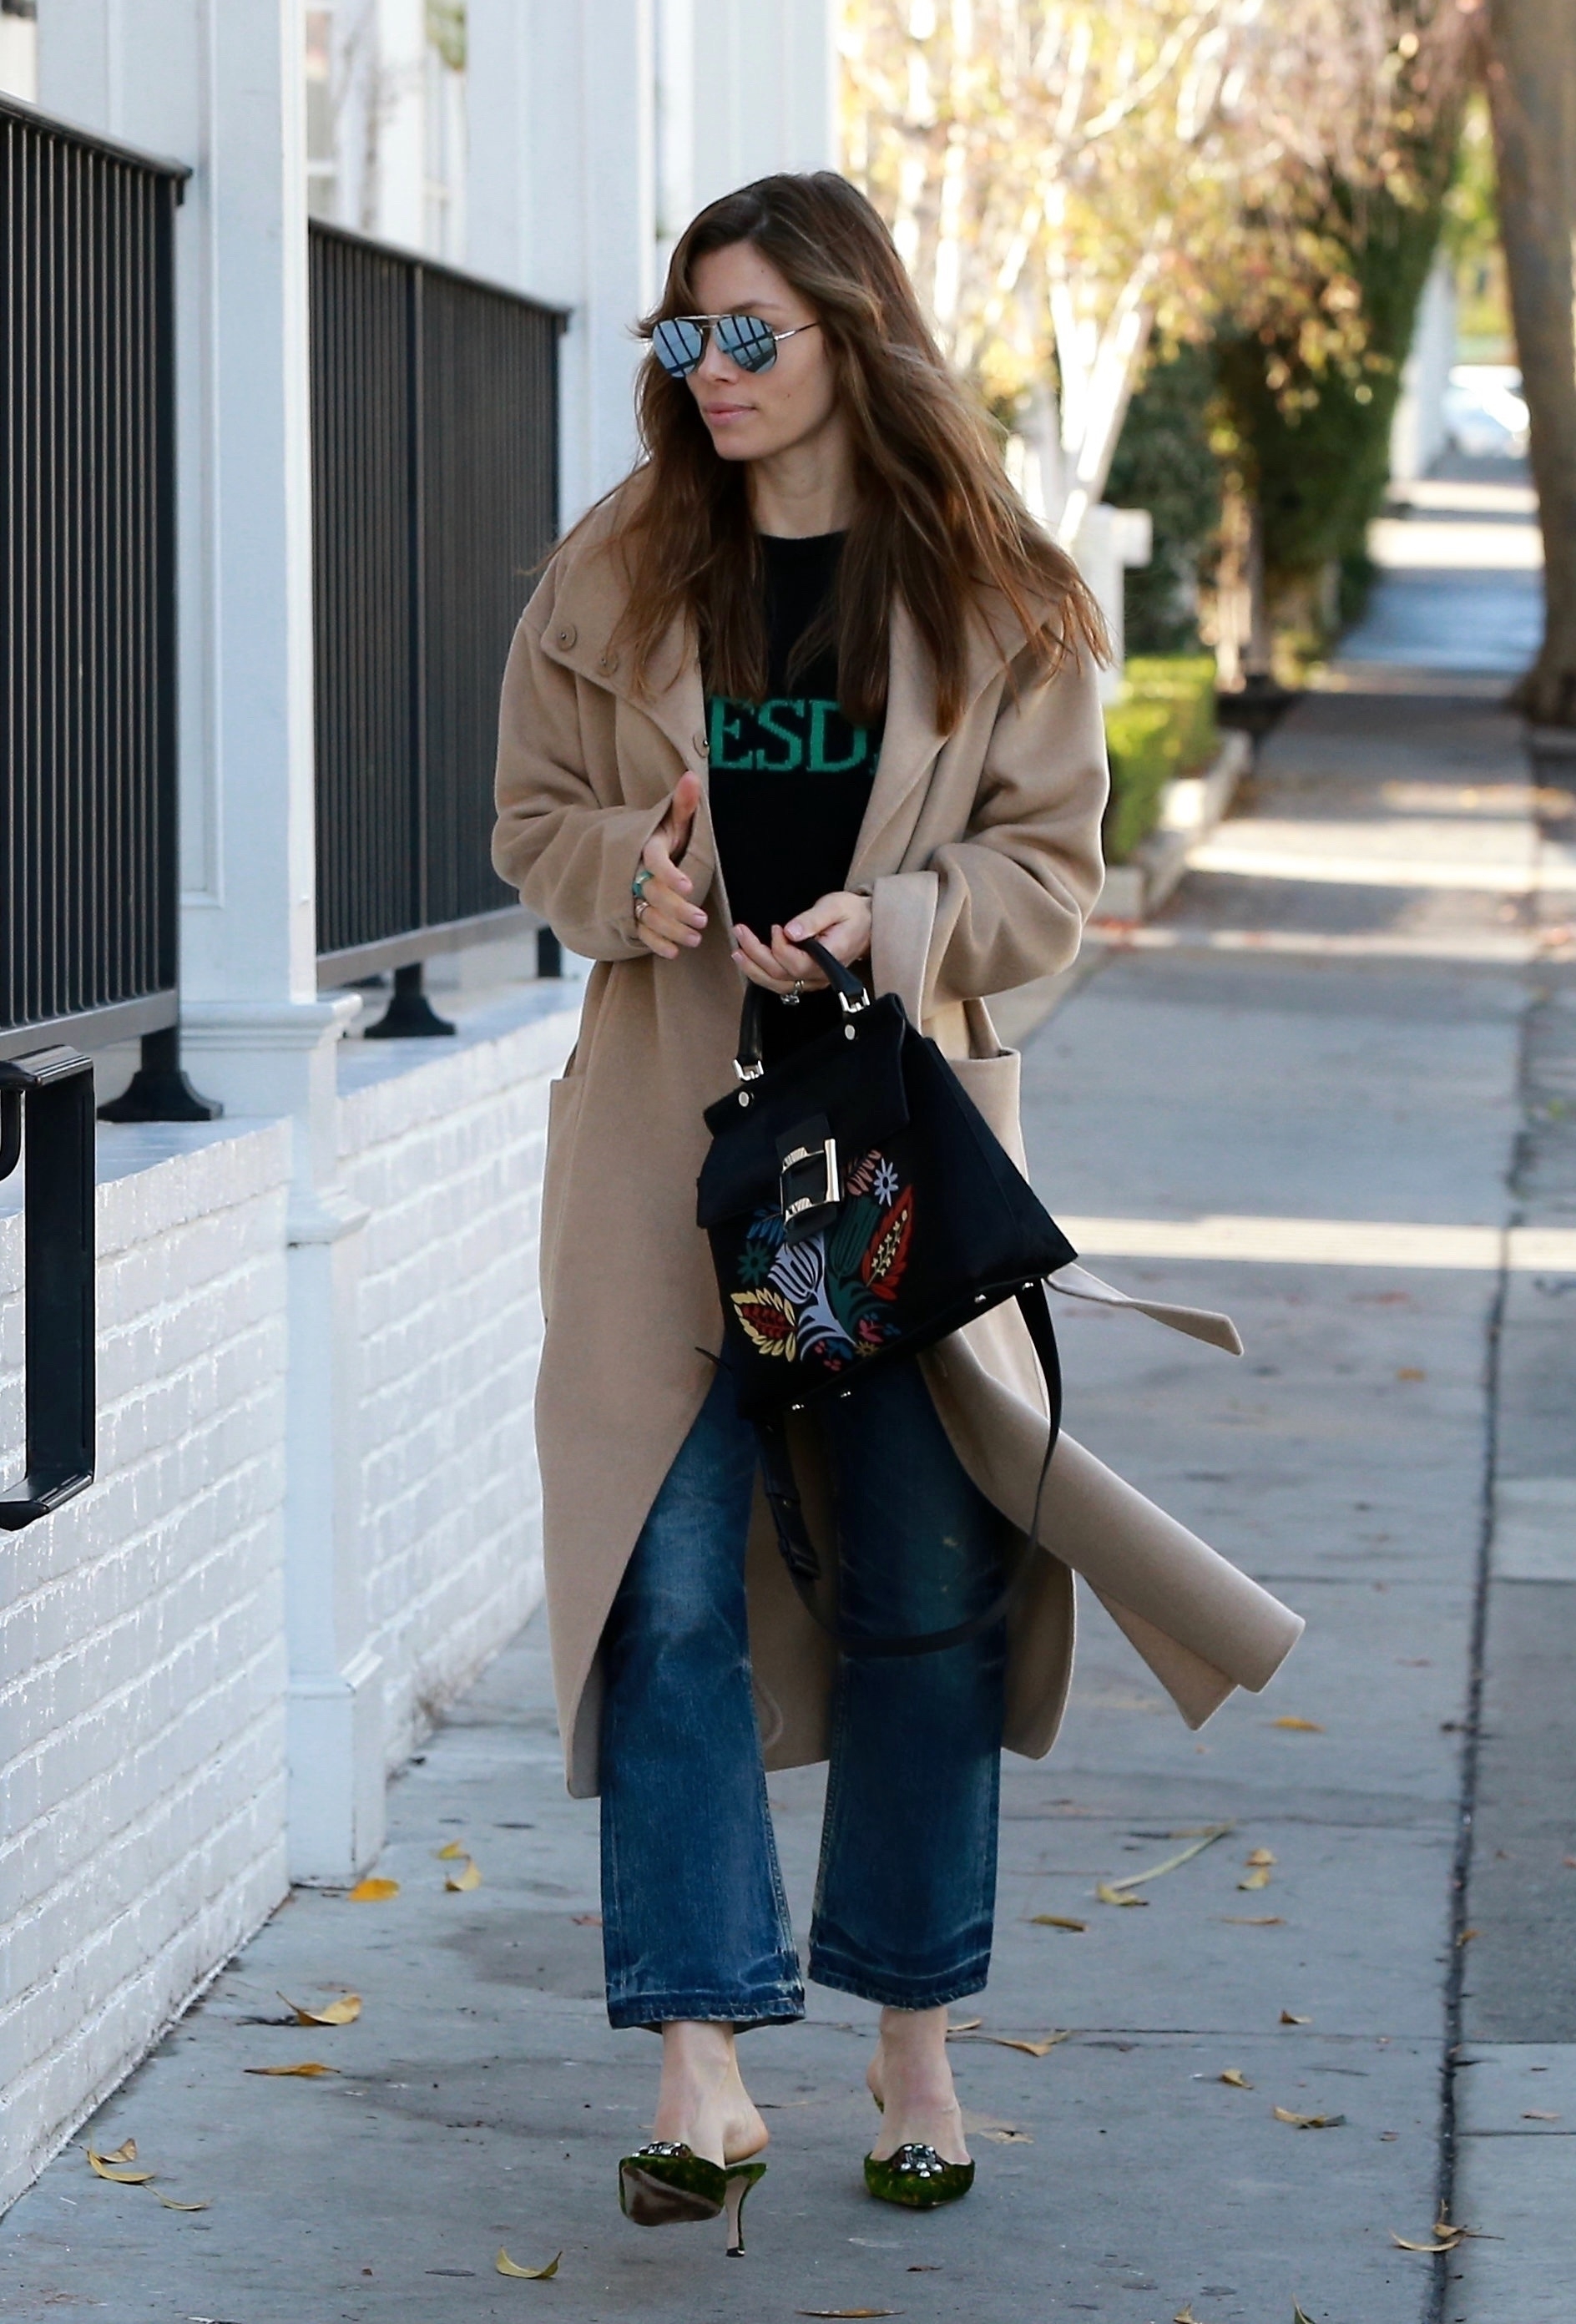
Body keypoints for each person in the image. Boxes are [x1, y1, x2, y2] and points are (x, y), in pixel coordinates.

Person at [492, 171, 1300, 2256]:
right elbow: (530, 821)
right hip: (667, 1166)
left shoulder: (993, 591)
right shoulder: (613, 570)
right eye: (686, 335)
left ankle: (911, 2041)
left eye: (749, 332)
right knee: (664, 1594)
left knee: (924, 1602)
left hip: (893, 1164)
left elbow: (1048, 878)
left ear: (852, 334)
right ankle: (699, 2060)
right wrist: (635, 882)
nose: (712, 371)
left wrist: (895, 918)